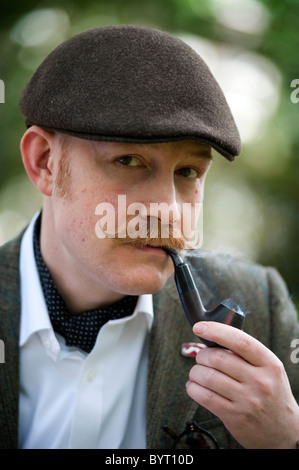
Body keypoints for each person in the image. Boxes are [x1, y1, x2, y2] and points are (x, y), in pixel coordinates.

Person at [0, 24, 299, 450]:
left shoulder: (260, 304)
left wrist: (287, 440)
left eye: (188, 171)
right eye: (129, 160)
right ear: (45, 162)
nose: (169, 211)